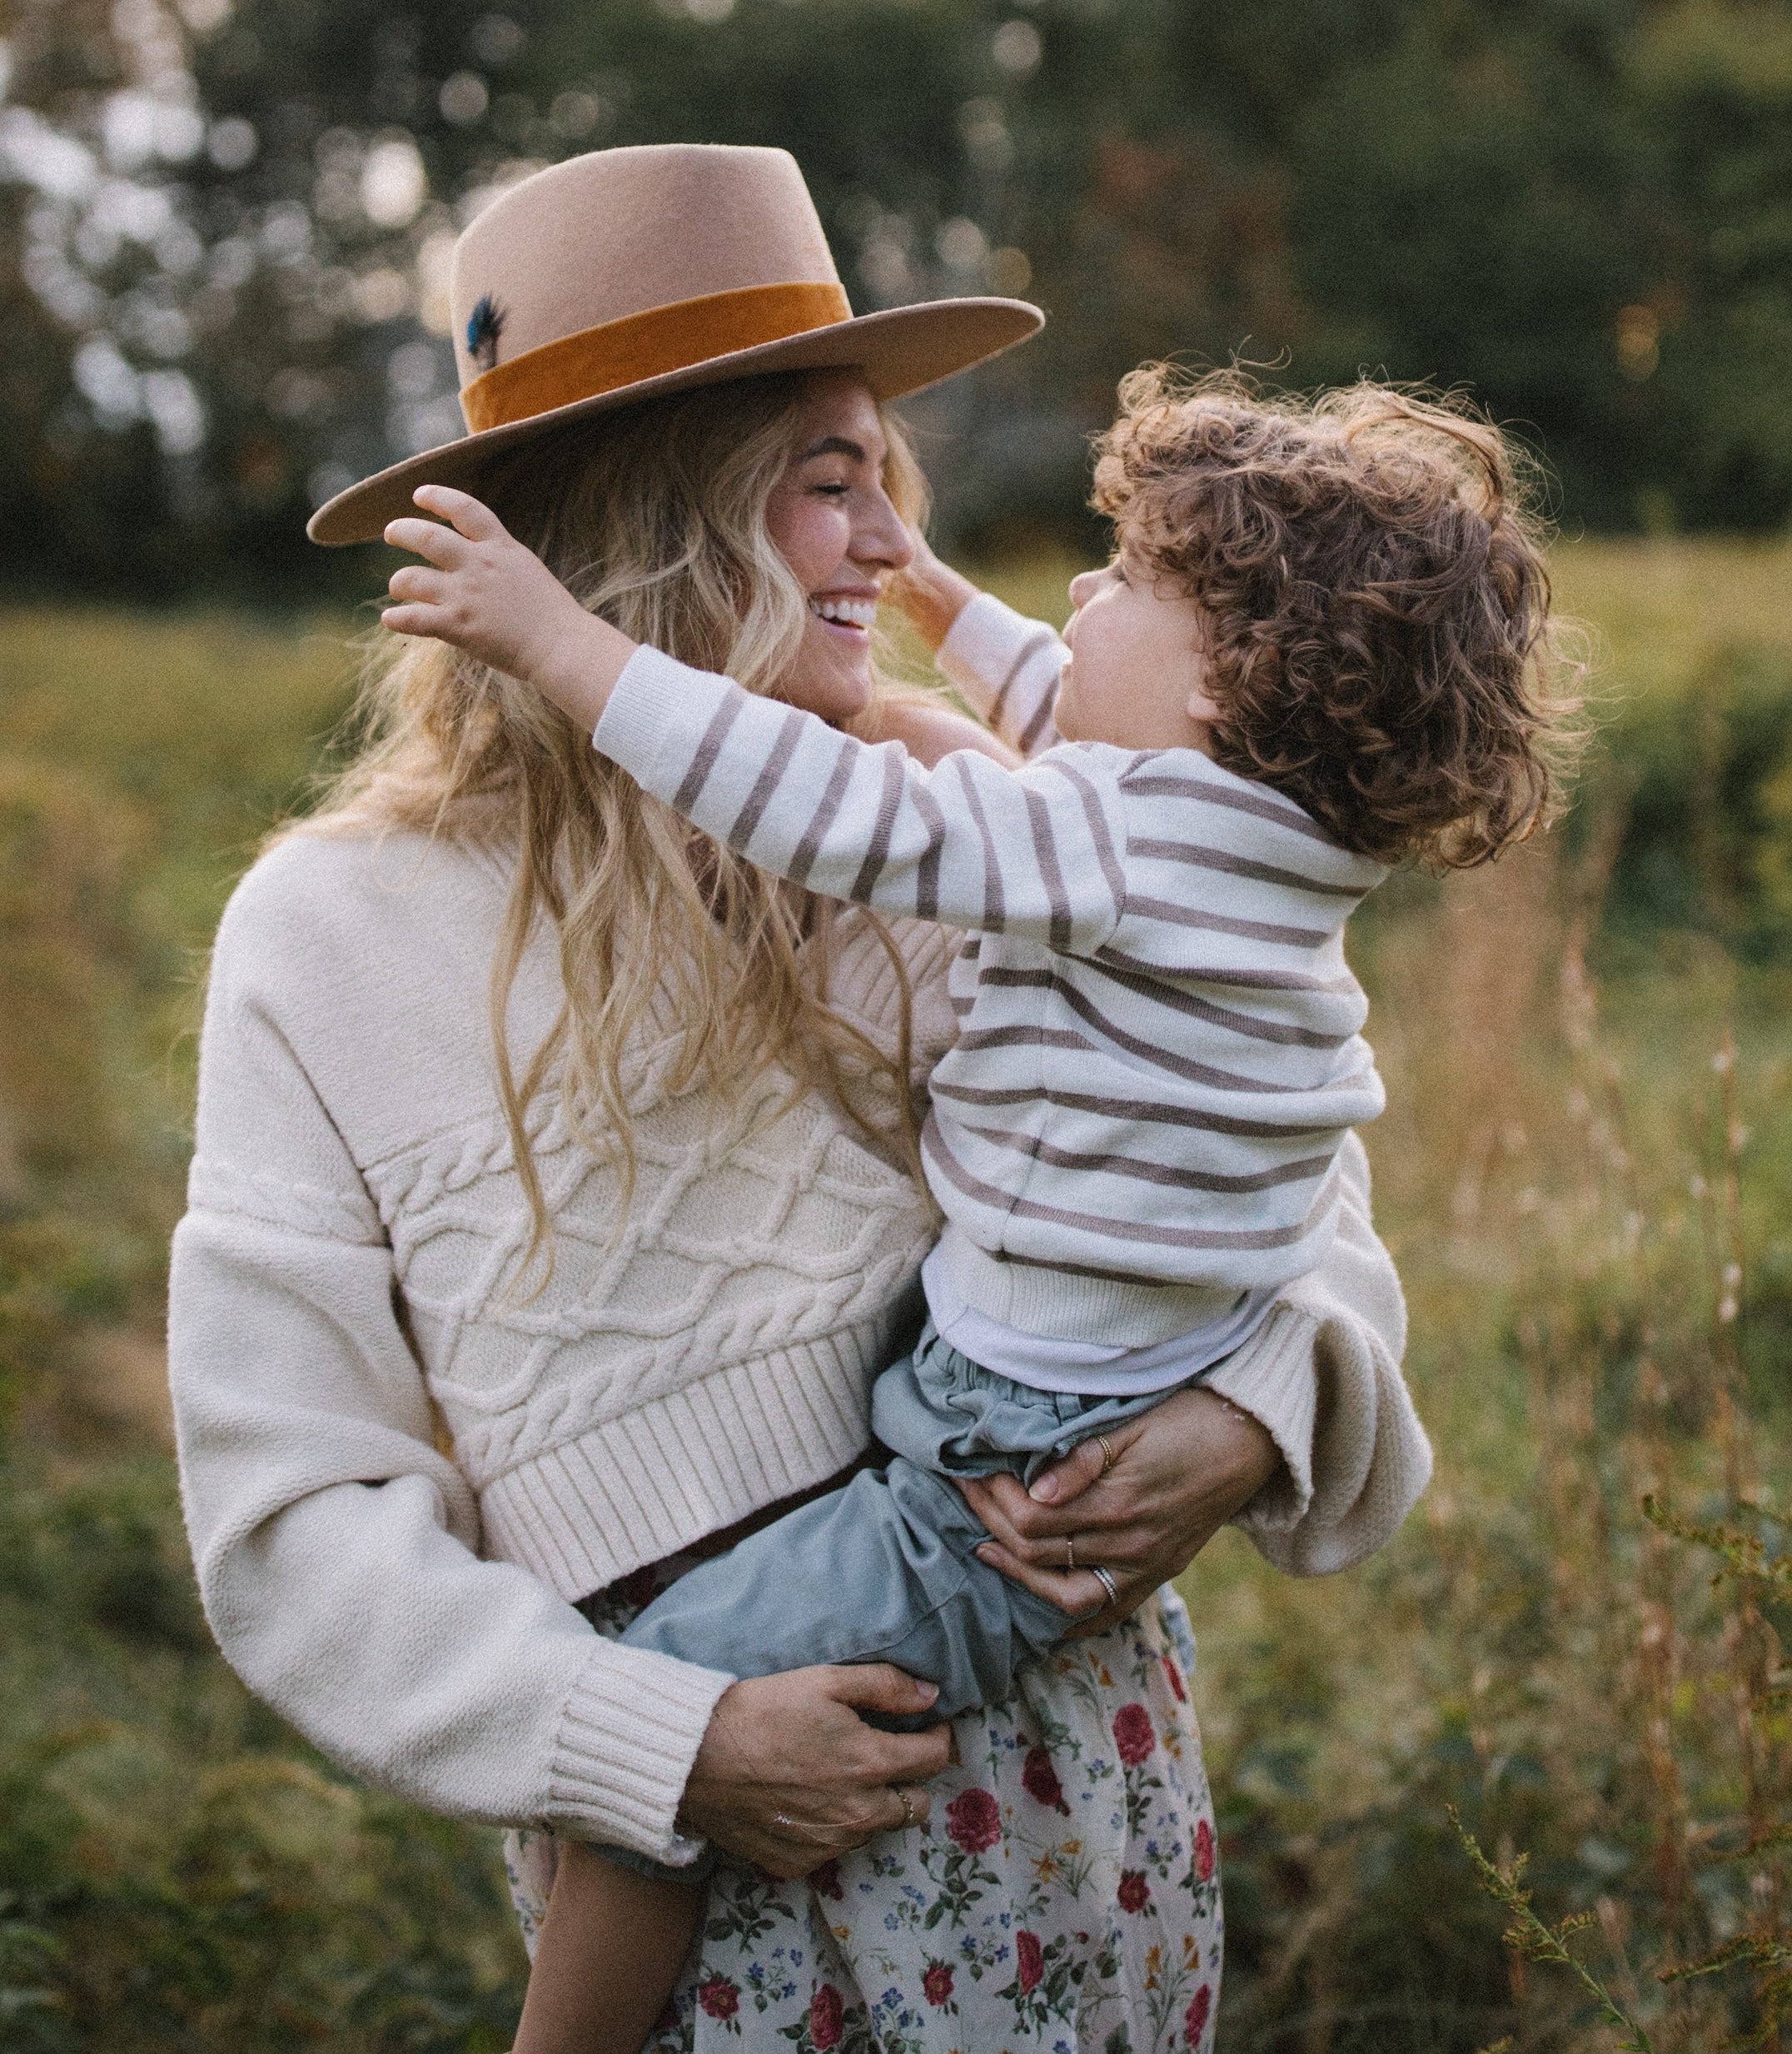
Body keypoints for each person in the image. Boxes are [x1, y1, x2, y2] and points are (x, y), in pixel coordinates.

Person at [168, 143, 1435, 2054]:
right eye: (823, 483)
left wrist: (1257, 1407)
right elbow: (288, 1516)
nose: (880, 542)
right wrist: (658, 1742)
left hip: (1066, 1812)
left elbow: (1265, 1158)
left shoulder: (959, 825)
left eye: (884, 479)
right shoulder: (327, 935)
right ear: (636, 521)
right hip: (695, 1863)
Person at [382, 363, 1575, 2047]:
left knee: (648, 1723)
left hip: (999, 1474)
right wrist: (939, 600)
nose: (1071, 598)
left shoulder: (1093, 851)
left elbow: (828, 805)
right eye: (834, 493)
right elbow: (1066, 702)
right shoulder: (1265, 836)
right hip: (1107, 1374)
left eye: (1129, 583)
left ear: (1236, 681)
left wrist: (553, 643)